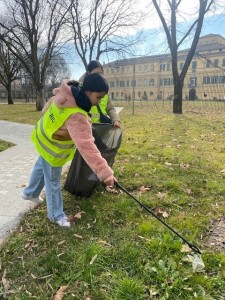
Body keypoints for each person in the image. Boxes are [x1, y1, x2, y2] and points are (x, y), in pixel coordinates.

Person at [21, 73, 117, 228]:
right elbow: (87, 147)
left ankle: (30, 193)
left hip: (42, 139)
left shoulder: (66, 94)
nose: (98, 102)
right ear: (88, 91)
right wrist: (104, 172)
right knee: (52, 182)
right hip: (54, 150)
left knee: (41, 166)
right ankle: (56, 216)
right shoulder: (77, 116)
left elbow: (46, 109)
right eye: (98, 97)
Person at [80, 60, 121, 127]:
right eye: (96, 73)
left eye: (101, 74)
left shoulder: (103, 90)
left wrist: (115, 119)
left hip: (101, 129)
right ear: (88, 73)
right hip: (85, 128)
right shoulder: (80, 90)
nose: (99, 76)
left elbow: (110, 108)